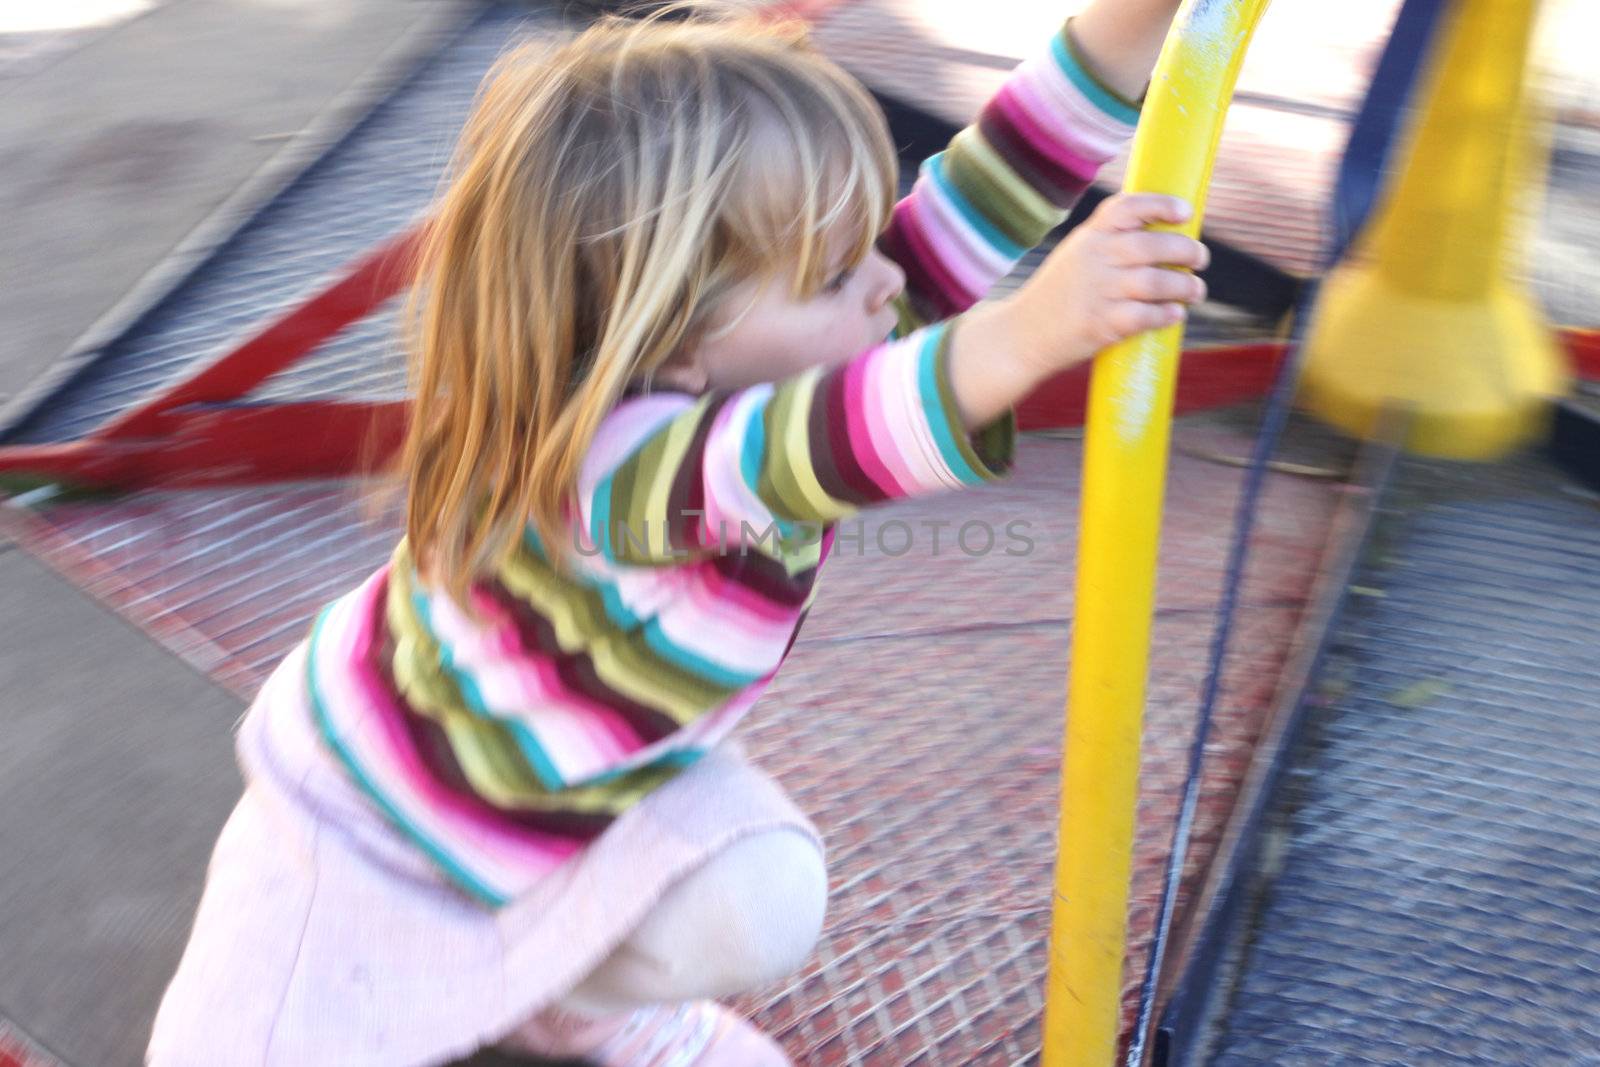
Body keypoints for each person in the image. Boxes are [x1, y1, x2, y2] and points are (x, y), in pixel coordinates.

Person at [148, 1, 1204, 1064]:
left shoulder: (811, 328)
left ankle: (568, 1002)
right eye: (837, 272)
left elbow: (996, 174)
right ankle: (485, 983)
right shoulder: (613, 470)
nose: (888, 281)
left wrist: (1138, 17)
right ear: (681, 341)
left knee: (759, 894)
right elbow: (816, 442)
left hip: (584, 791)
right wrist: (1026, 331)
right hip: (376, 822)